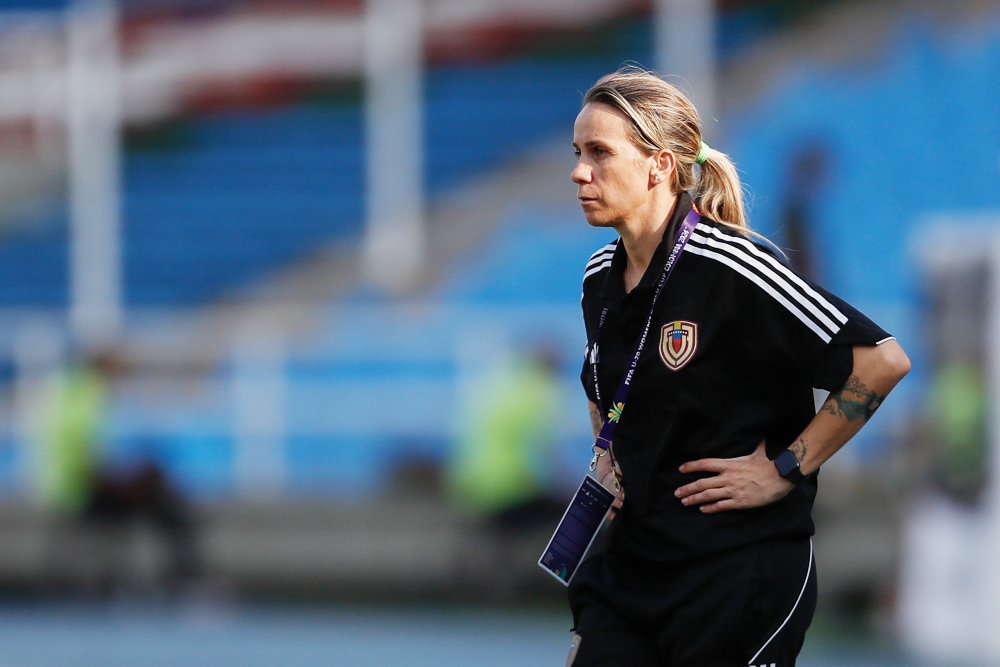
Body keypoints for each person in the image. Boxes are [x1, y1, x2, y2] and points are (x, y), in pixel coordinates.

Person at [563, 66, 910, 666]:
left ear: (659, 165)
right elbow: (603, 383)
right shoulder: (599, 276)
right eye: (577, 152)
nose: (578, 171)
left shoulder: (735, 267)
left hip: (738, 575)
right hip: (633, 569)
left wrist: (784, 469)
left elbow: (881, 360)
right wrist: (606, 452)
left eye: (600, 152)